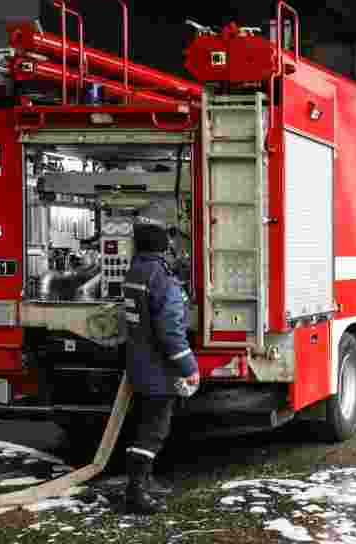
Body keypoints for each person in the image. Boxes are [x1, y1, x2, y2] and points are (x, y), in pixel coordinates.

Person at [122, 218, 200, 515]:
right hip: (159, 367)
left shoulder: (136, 271)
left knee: (145, 423)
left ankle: (144, 482)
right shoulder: (162, 279)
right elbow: (170, 332)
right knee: (154, 430)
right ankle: (136, 493)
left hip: (139, 361)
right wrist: (189, 367)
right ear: (163, 247)